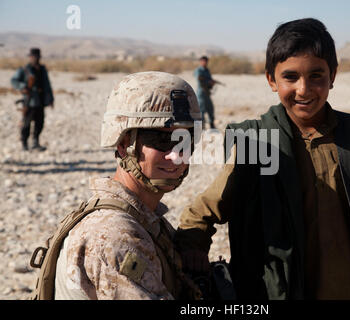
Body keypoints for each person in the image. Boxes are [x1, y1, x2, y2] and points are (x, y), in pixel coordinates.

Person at [174, 18, 350, 300]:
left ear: (333, 75)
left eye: (317, 76)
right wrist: (191, 247)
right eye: (291, 77)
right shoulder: (257, 142)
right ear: (271, 80)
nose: (304, 89)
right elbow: (206, 209)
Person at [29, 72, 203, 300]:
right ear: (124, 145)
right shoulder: (116, 236)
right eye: (161, 141)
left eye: (185, 140)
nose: (175, 155)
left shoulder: (144, 217)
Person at [11, 48, 54, 151]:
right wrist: (23, 87)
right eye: (33, 56)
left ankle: (35, 142)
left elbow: (47, 84)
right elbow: (14, 80)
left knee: (40, 123)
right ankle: (24, 144)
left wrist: (51, 99)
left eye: (36, 56)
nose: (35, 58)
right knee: (26, 124)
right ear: (30, 57)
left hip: (41, 101)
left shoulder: (42, 69)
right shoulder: (24, 70)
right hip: (29, 102)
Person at [194, 56, 218, 129]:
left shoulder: (207, 70)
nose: (205, 62)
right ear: (200, 62)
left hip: (207, 93)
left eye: (206, 61)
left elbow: (209, 80)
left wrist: (212, 83)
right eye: (203, 61)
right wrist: (208, 82)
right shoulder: (198, 70)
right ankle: (202, 127)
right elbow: (200, 79)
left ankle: (212, 125)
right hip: (201, 93)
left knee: (210, 109)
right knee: (201, 110)